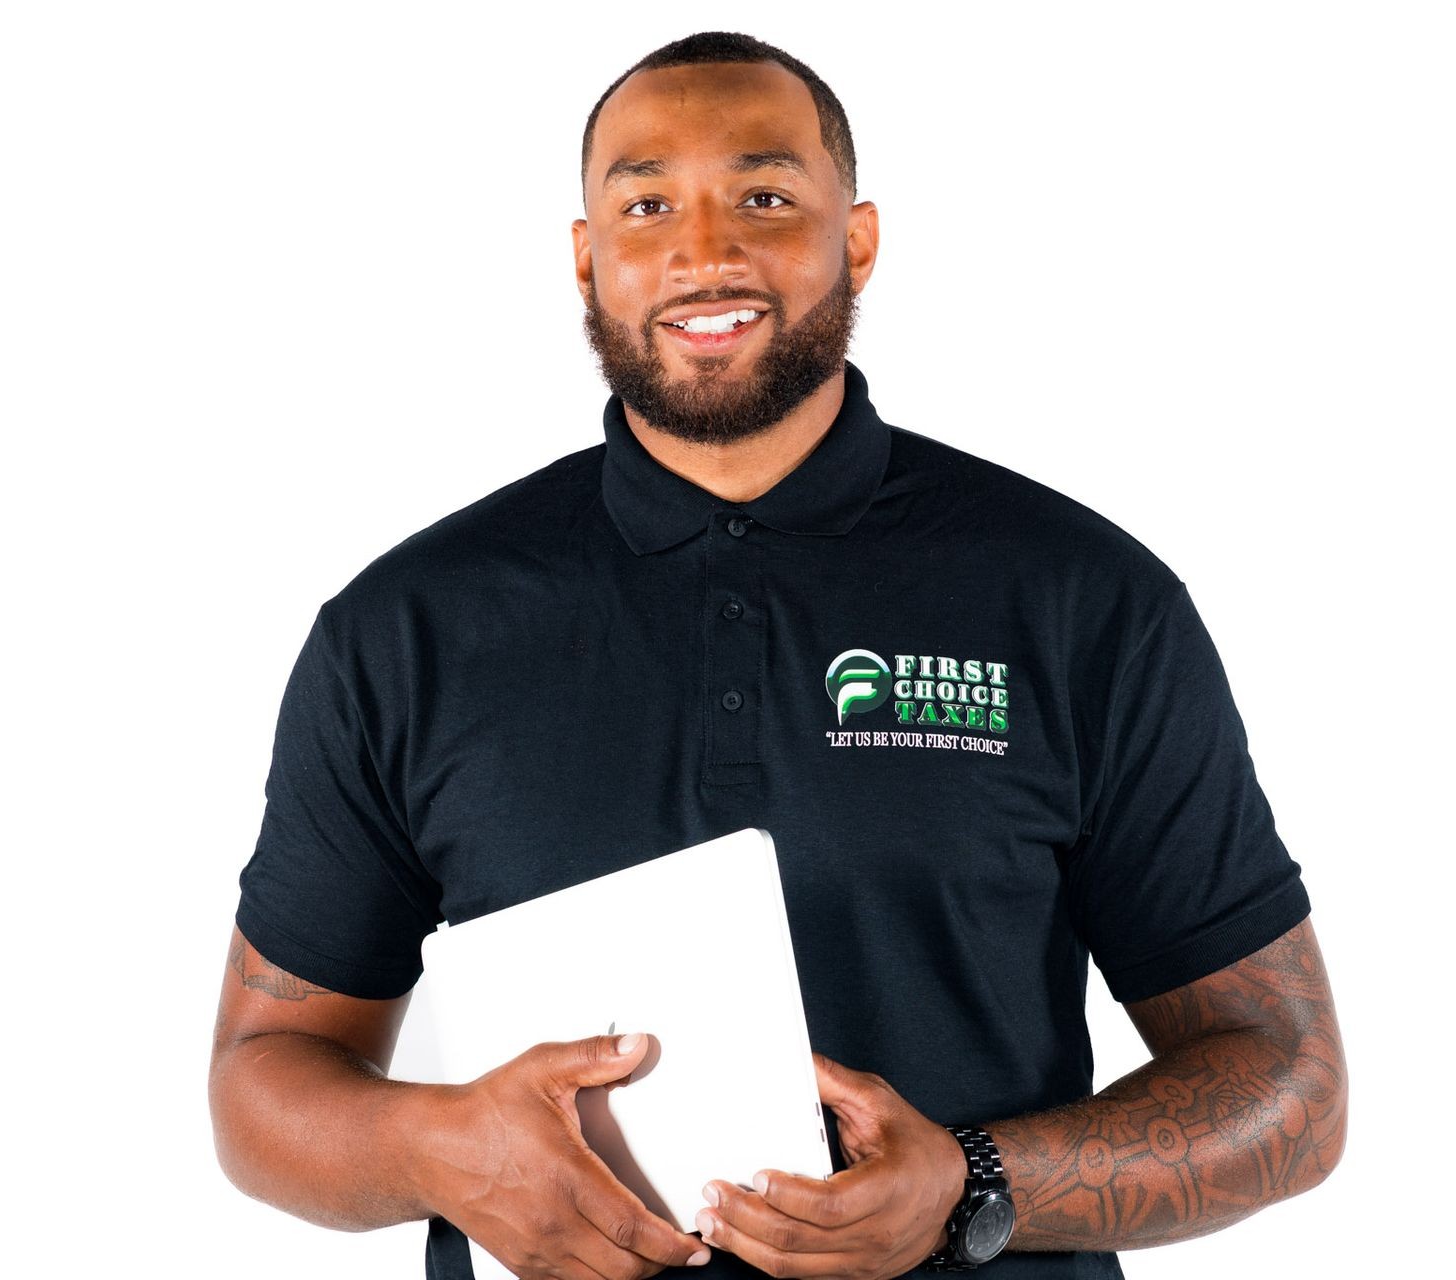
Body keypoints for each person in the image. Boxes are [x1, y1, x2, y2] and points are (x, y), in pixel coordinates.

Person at [209, 30, 1347, 1280]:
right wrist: (436, 1147)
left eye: (765, 195)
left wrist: (973, 1182)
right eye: (647, 205)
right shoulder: (406, 629)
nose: (705, 250)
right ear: (587, 260)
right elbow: (259, 1086)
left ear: (855, 239)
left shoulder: (1085, 601)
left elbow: (1290, 1083)